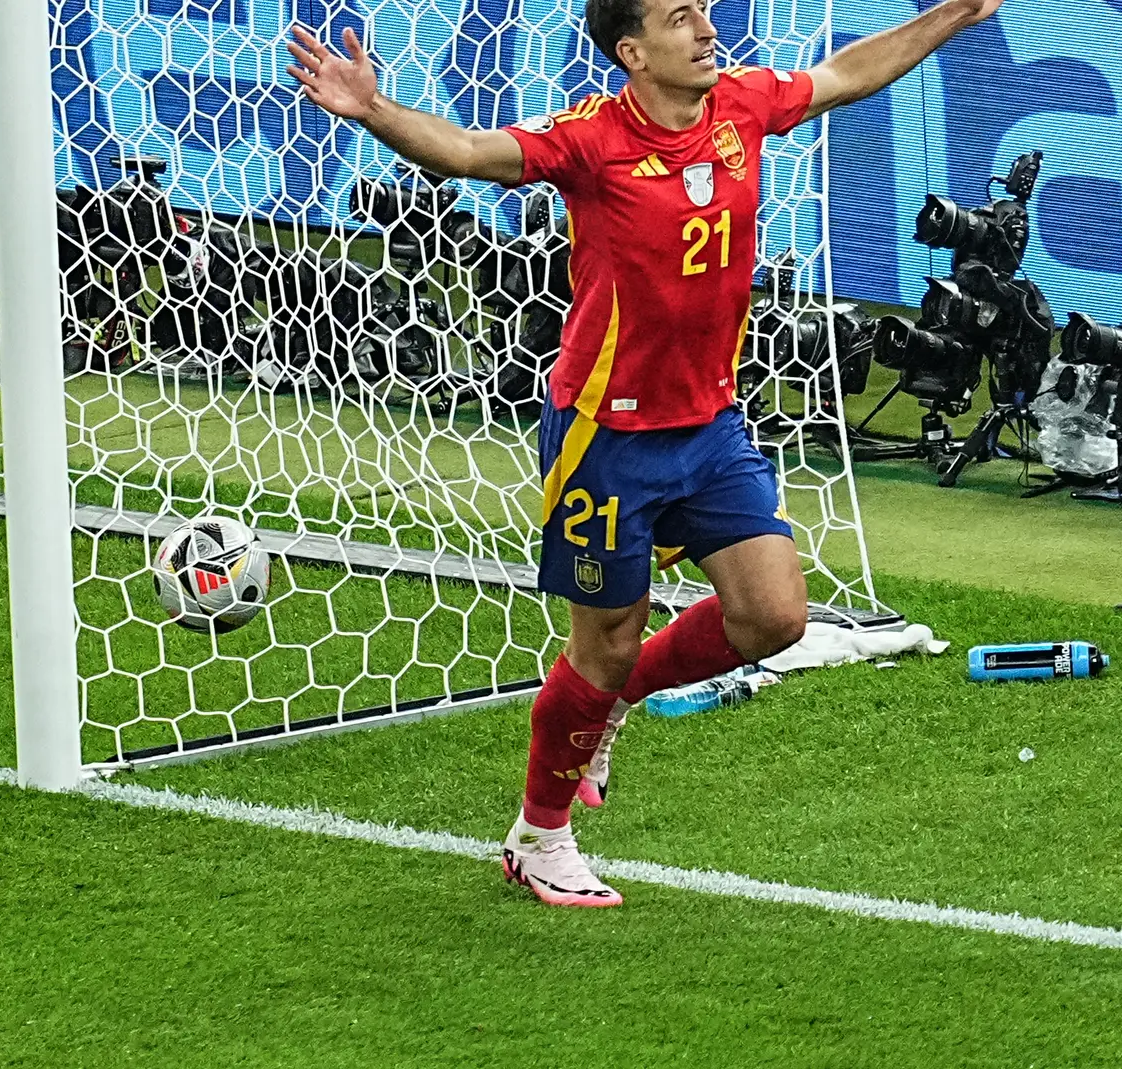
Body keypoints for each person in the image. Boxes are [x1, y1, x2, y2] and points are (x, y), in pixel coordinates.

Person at [290, 0, 1003, 905]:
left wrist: (956, 13)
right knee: (603, 647)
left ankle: (619, 704)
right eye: (680, 18)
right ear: (632, 51)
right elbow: (472, 153)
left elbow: (845, 76)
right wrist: (376, 110)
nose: (707, 29)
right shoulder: (591, 141)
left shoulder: (742, 105)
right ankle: (540, 835)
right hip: (606, 438)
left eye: (703, 12)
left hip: (708, 425)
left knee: (774, 615)